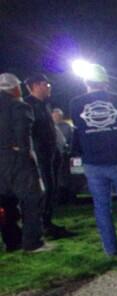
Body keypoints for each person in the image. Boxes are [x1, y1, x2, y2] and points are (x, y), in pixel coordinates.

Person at [69, 64, 117, 256]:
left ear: (86, 81)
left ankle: (111, 250)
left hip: (94, 162)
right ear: (105, 82)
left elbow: (77, 131)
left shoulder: (76, 103)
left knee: (102, 207)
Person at [0, 73, 49, 252]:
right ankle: (33, 242)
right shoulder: (19, 106)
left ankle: (11, 241)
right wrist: (24, 153)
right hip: (17, 161)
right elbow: (23, 137)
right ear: (14, 88)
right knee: (32, 199)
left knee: (6, 203)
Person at [24, 74, 70, 238]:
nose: (49, 87)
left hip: (51, 155)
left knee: (52, 189)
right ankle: (41, 226)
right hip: (40, 157)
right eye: (46, 84)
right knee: (45, 190)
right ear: (36, 85)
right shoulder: (28, 105)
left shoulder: (45, 105)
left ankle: (47, 223)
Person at [52, 108, 73, 204]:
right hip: (52, 156)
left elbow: (70, 140)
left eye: (59, 116)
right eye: (55, 116)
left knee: (64, 176)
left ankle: (64, 196)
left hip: (64, 155)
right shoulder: (49, 126)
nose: (57, 118)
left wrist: (69, 150)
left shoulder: (66, 126)